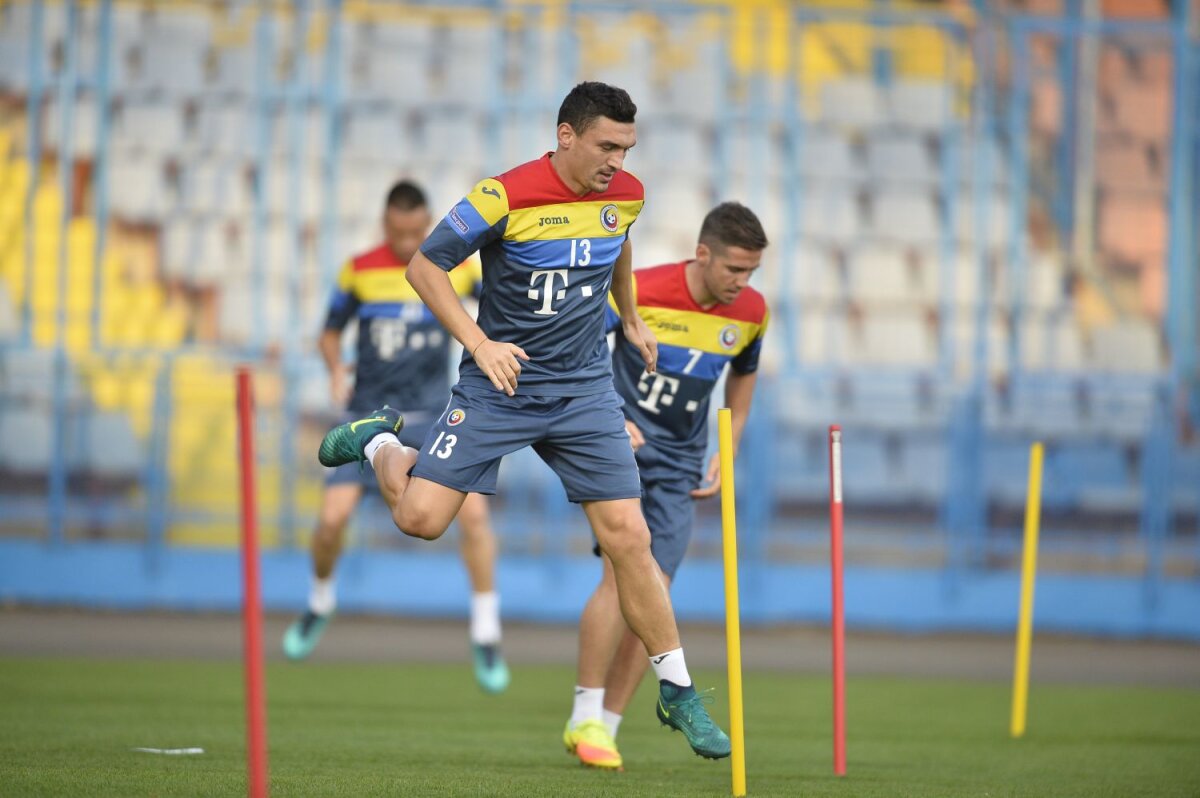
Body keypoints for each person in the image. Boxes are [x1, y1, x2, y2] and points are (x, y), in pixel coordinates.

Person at [316, 81, 731, 762]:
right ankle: (381, 439)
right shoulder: (502, 197)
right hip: (498, 385)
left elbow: (618, 242)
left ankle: (678, 690)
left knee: (631, 536)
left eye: (626, 148)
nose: (617, 161)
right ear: (566, 135)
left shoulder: (624, 194)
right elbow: (425, 268)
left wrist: (628, 316)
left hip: (582, 391)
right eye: (606, 145)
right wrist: (479, 345)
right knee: (420, 520)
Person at [563, 202, 770, 770]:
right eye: (734, 269)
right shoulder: (641, 289)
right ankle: (583, 714)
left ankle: (605, 728)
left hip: (680, 467)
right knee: (620, 574)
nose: (742, 282)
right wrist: (606, 414)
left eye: (751, 271)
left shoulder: (752, 312)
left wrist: (729, 445)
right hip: (619, 453)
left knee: (654, 597)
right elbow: (579, 346)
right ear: (702, 254)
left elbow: (745, 373)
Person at [283, 180, 510, 695]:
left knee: (473, 516)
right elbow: (328, 330)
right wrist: (336, 365)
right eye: (399, 232)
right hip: (367, 414)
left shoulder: (456, 264)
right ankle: (320, 600)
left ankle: (487, 631)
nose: (410, 242)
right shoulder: (359, 270)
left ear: (426, 221)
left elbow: (496, 307)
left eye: (417, 231)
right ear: (385, 224)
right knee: (330, 521)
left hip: (436, 414)